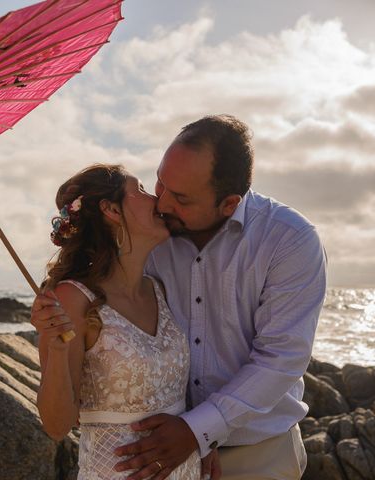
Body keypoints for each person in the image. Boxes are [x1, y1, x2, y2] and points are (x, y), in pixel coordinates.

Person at [109, 115, 327, 480]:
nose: (161, 203)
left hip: (260, 455)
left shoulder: (289, 240)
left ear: (228, 204)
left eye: (180, 198)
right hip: (161, 452)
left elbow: (280, 359)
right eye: (160, 183)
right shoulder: (149, 237)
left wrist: (197, 431)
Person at [31, 164, 218, 479]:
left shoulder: (159, 289)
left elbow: (177, 388)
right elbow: (57, 426)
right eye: (141, 190)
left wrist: (203, 440)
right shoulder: (73, 299)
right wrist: (56, 348)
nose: (155, 199)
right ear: (111, 210)